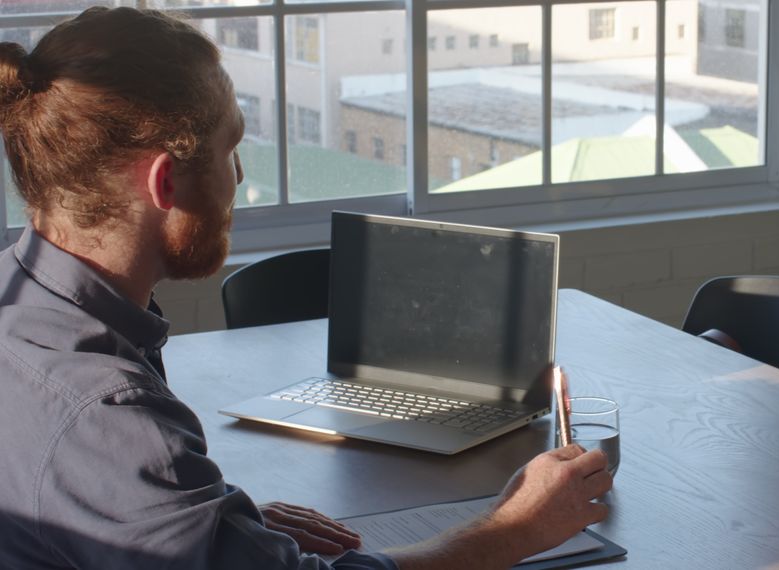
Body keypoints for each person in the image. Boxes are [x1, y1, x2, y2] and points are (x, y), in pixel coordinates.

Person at [0, 7, 612, 569]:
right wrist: (516, 529)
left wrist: (209, 526)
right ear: (165, 183)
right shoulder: (106, 415)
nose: (238, 176)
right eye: (229, 148)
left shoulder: (25, 304)